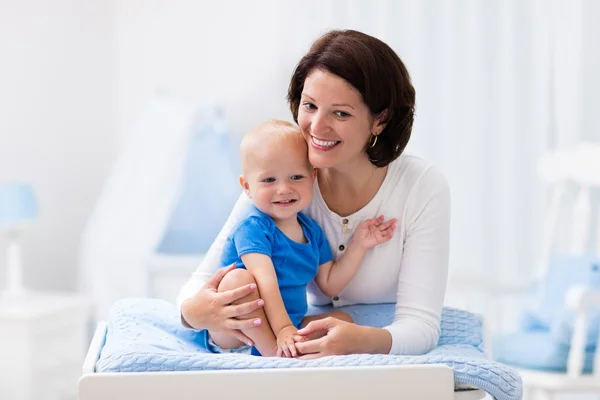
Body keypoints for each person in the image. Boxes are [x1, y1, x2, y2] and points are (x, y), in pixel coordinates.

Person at [178, 29, 451, 358]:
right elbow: (200, 285)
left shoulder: (421, 187)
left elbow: (420, 325)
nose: (316, 127)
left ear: (381, 120)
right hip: (269, 333)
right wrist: (194, 315)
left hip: (332, 331)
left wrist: (358, 341)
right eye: (310, 105)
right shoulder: (280, 181)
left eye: (341, 113)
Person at [209, 119, 396, 357]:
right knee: (238, 280)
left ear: (313, 177)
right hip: (237, 329)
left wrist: (359, 245)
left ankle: (290, 346)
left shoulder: (311, 230)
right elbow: (265, 282)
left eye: (296, 177)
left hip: (287, 324)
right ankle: (275, 354)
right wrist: (284, 328)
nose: (284, 188)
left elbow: (330, 284)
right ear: (247, 186)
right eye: (269, 180)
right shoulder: (253, 226)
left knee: (343, 320)